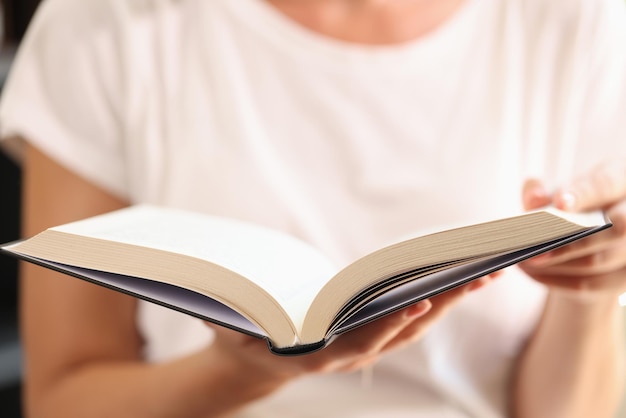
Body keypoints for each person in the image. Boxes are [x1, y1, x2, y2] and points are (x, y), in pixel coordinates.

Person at [1, 0, 626, 416]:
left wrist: (590, 289)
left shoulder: (579, 20)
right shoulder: (106, 22)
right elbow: (64, 396)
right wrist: (241, 372)